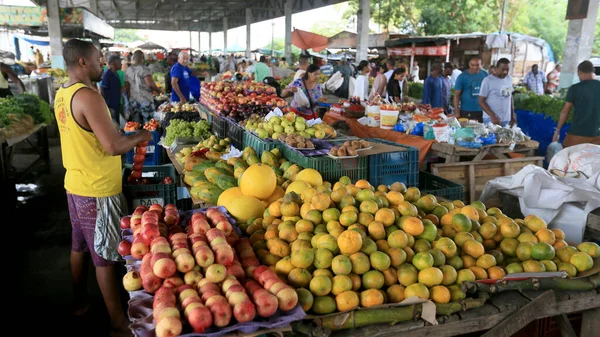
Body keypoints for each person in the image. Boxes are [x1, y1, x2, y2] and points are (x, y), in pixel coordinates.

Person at [55, 38, 152, 337]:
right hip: (97, 189)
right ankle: (118, 324)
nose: (101, 63)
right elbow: (112, 146)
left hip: (75, 184)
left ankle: (80, 302)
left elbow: (91, 137)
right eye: (97, 58)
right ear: (83, 62)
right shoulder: (89, 96)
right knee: (106, 257)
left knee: (80, 247)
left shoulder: (63, 93)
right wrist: (142, 135)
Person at [553, 60, 600, 147]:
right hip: (597, 134)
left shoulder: (575, 88)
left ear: (580, 72)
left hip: (578, 133)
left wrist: (557, 131)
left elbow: (565, 111)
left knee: (567, 157)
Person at [125, 50, 161, 124]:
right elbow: (150, 84)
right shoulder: (144, 69)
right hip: (146, 100)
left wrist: (129, 101)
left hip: (133, 101)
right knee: (148, 124)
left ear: (133, 59)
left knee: (136, 125)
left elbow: (127, 87)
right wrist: (159, 91)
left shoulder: (127, 70)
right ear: (142, 59)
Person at [478, 58, 515, 126]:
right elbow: (481, 101)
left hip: (506, 119)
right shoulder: (487, 80)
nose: (505, 72)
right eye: (503, 69)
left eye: (507, 69)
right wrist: (493, 116)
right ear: (496, 68)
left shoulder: (509, 79)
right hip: (491, 120)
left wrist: (512, 116)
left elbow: (510, 97)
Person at [453, 55, 488, 121]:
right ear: (469, 64)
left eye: (477, 65)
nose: (475, 67)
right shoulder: (462, 76)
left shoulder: (485, 74)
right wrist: (457, 112)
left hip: (483, 110)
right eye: (472, 65)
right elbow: (456, 95)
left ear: (481, 64)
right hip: (466, 110)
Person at [100, 56, 122, 125]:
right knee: (114, 124)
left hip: (116, 104)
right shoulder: (107, 75)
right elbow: (102, 88)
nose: (121, 64)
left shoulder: (116, 74)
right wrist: (104, 104)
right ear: (113, 64)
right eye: (120, 63)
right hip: (110, 105)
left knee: (117, 122)